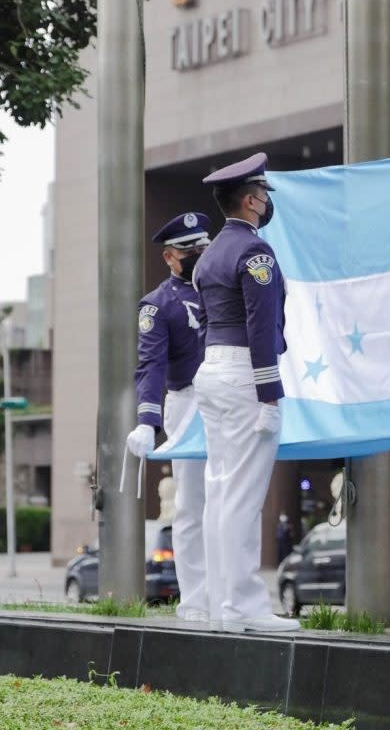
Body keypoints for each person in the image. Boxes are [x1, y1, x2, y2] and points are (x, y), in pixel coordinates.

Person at [192, 152, 300, 633]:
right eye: (264, 195)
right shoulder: (255, 253)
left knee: (219, 493)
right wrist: (270, 396)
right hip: (243, 377)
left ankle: (222, 604)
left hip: (213, 373)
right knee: (242, 496)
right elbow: (260, 327)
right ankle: (243, 608)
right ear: (253, 200)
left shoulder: (209, 253)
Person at [125, 212, 210, 621]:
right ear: (169, 257)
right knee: (192, 505)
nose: (199, 255)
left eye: (203, 248)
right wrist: (147, 419)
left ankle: (232, 595)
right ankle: (196, 600)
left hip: (233, 397)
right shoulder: (157, 305)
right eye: (190, 250)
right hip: (188, 400)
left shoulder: (225, 288)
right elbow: (150, 365)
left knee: (236, 500)